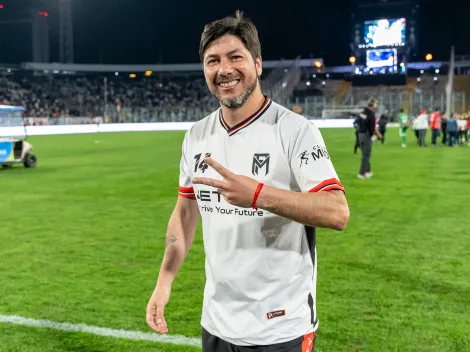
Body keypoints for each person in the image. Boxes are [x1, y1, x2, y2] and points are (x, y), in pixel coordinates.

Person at [145, 11, 350, 352]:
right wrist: (163, 282)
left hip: (280, 328)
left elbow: (337, 211)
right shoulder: (196, 136)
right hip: (216, 322)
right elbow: (184, 213)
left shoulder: (294, 131)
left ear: (257, 63)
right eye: (213, 61)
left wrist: (258, 195)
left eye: (234, 57)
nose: (224, 69)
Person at [357, 99, 381, 179]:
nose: (376, 105)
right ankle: (361, 173)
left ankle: (368, 171)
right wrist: (378, 135)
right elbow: (372, 128)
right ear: (373, 105)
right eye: (375, 104)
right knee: (366, 155)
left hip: (360, 135)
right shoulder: (371, 114)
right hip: (366, 135)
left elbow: (356, 122)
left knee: (364, 153)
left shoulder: (362, 112)